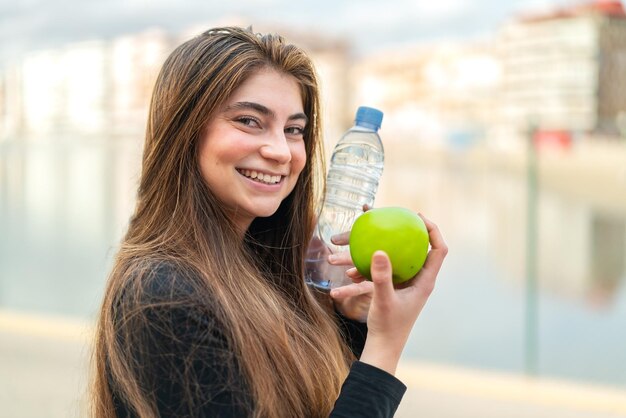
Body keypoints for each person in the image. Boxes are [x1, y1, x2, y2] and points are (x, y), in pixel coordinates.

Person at [91, 26, 447, 418]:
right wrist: (387, 345)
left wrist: (356, 322)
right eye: (248, 121)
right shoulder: (164, 298)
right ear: (185, 131)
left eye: (294, 129)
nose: (281, 151)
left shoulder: (271, 269)